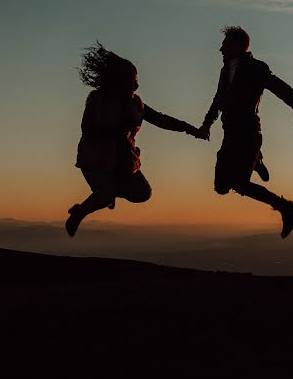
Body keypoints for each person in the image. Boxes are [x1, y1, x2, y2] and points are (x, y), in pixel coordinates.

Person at [66, 42, 203, 237]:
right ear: (118, 82)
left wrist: (190, 130)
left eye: (136, 80)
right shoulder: (98, 100)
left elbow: (161, 119)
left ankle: (110, 191)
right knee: (104, 195)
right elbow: (87, 129)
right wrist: (114, 132)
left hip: (123, 160)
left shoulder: (136, 104)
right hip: (96, 159)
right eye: (132, 81)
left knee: (143, 193)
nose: (137, 85)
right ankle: (79, 213)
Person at [197, 26, 293, 238]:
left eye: (224, 44)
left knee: (240, 185)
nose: (220, 49)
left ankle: (287, 208)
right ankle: (256, 160)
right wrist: (207, 124)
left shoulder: (256, 68)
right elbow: (218, 100)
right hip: (230, 134)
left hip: (248, 134)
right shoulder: (225, 71)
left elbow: (280, 88)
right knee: (221, 186)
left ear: (236, 46)